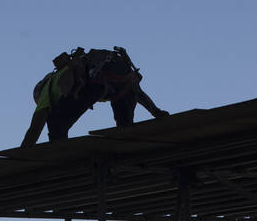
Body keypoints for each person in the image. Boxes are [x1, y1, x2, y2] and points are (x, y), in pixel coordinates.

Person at [20, 47, 169, 147]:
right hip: (122, 74)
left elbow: (34, 130)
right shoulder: (75, 68)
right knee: (124, 132)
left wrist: (21, 155)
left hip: (95, 81)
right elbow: (136, 91)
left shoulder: (48, 89)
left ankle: (63, 162)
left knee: (56, 124)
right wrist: (156, 112)